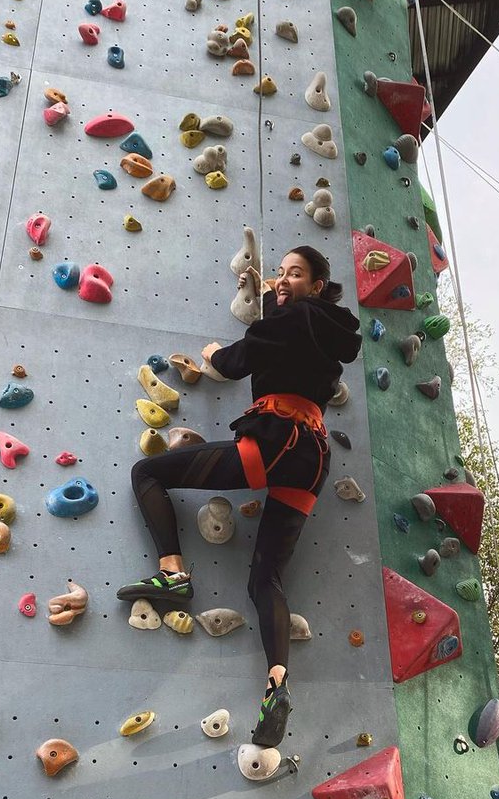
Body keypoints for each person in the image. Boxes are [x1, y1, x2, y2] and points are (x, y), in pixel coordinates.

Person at [117, 246, 361, 746]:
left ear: (317, 285)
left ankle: (173, 576)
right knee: (264, 578)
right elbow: (283, 340)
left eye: (296, 273)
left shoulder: (295, 318)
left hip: (276, 441)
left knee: (148, 473)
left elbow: (241, 359)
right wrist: (274, 298)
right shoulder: (324, 329)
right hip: (311, 456)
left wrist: (212, 357)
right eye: (282, 271)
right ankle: (277, 685)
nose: (285, 278)